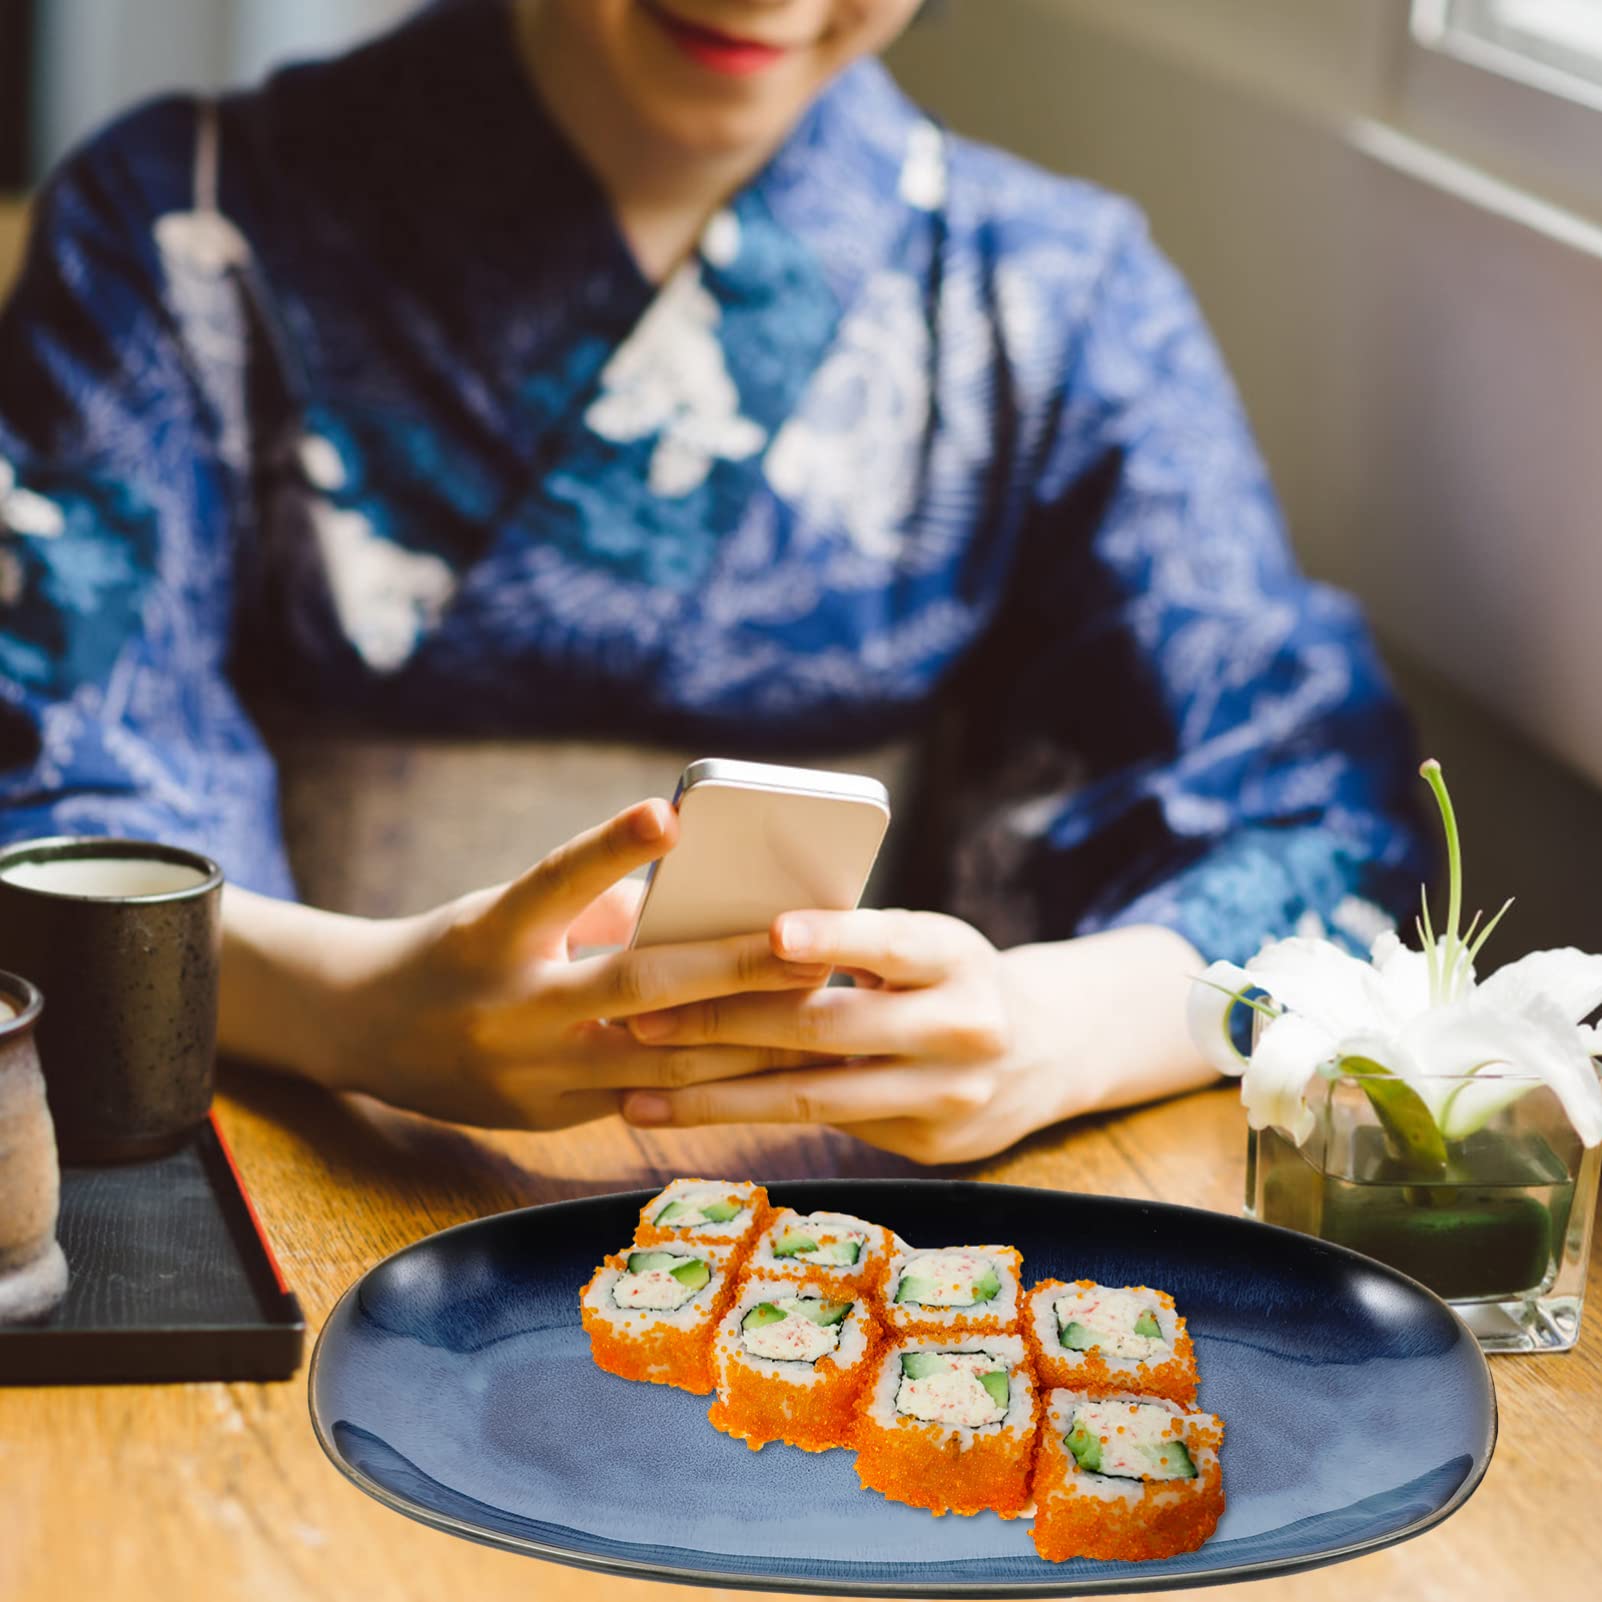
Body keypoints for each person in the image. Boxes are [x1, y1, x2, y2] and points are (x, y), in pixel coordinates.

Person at [0, 0, 1428, 1164]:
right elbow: (61, 803)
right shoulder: (176, 218)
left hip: (852, 1195)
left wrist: (1044, 1026)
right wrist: (362, 1010)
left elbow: (1305, 815)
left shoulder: (1052, 292)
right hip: (294, 1142)